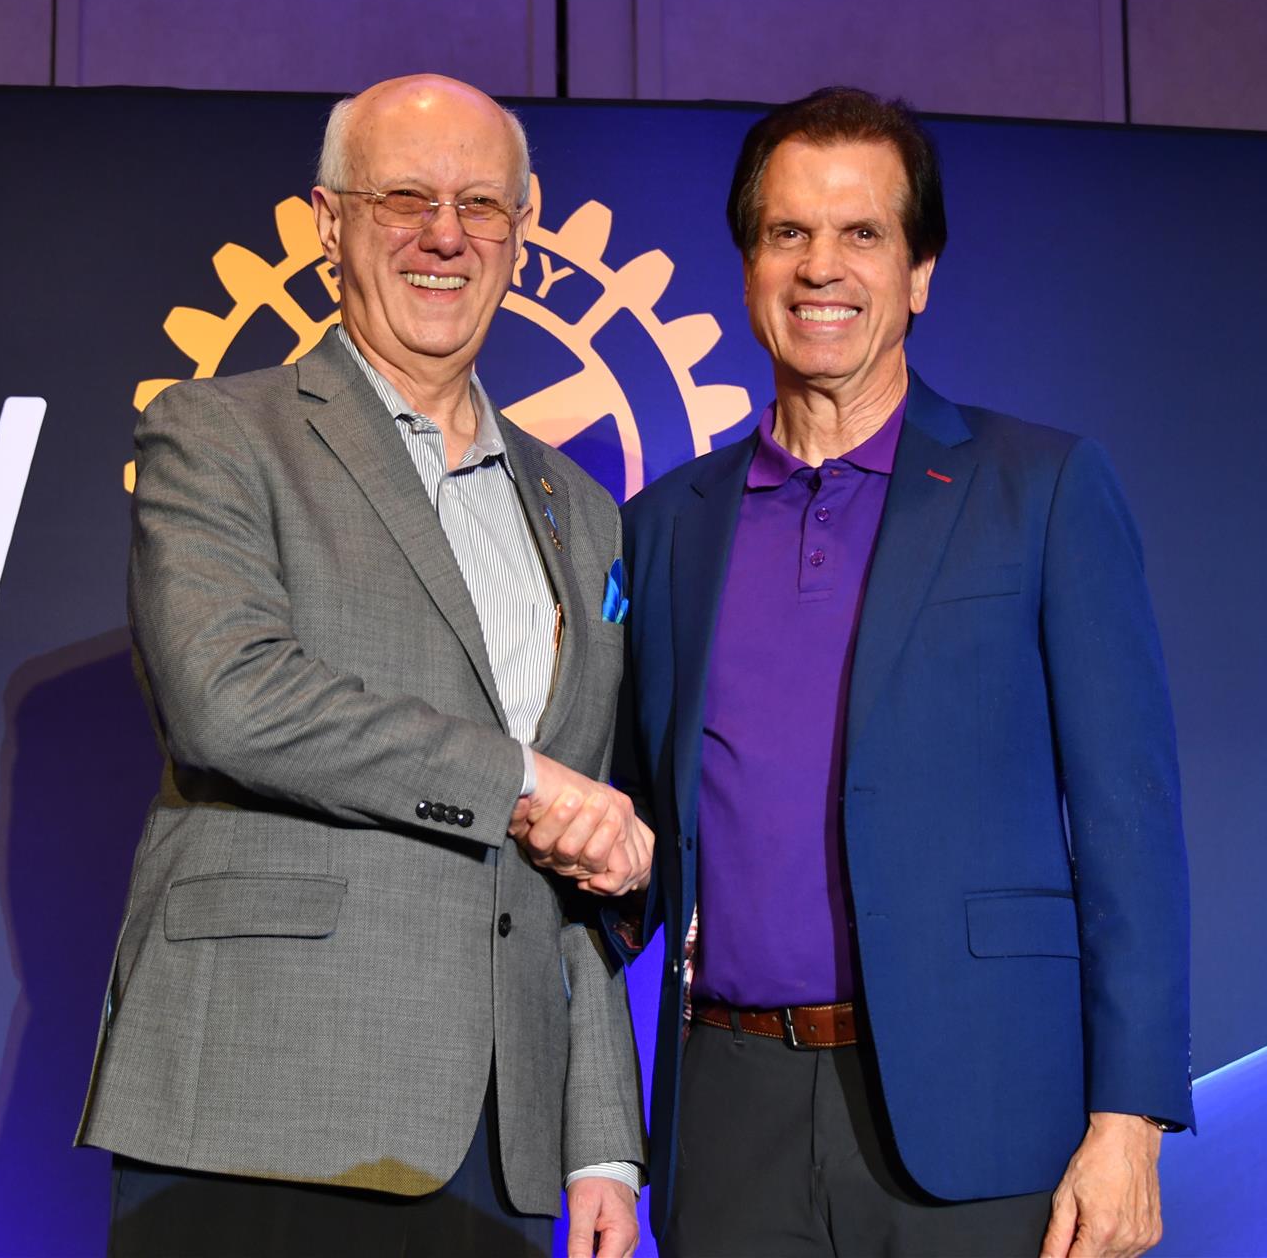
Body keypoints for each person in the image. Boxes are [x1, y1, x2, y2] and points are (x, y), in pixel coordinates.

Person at [614, 86, 1193, 1258]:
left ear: (920, 271)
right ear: (749, 265)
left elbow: (1129, 826)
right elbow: (628, 841)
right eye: (788, 232)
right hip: (728, 1121)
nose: (821, 267)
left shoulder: (1042, 489)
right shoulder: (667, 524)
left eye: (863, 233)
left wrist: (1129, 1120)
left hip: (982, 1118)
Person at [77, 74, 650, 1258]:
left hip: (496, 1138)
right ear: (328, 223)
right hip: (261, 1096)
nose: (445, 235)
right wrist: (520, 781)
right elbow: (232, 701)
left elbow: (574, 858)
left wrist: (600, 1142)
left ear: (522, 229)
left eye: (479, 205)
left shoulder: (583, 511)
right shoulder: (216, 433)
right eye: (404, 198)